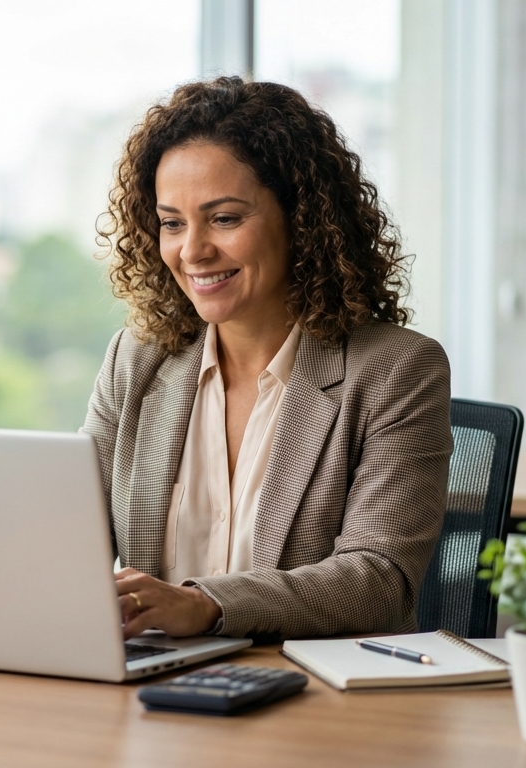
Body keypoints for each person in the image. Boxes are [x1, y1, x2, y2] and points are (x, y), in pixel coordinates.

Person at [83, 77, 452, 642]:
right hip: (159, 693)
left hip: (318, 703)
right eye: (173, 222)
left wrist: (206, 604)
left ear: (301, 220)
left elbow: (380, 579)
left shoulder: (397, 372)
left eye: (225, 218)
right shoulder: (136, 362)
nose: (193, 250)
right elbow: (64, 533)